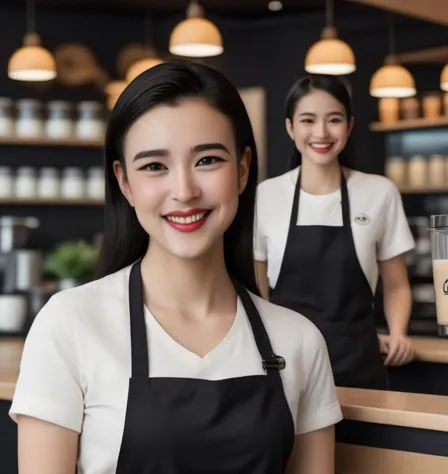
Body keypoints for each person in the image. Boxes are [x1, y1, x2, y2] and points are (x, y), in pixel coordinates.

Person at [9, 60, 342, 474]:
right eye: (154, 166)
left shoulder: (298, 340)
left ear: (242, 170)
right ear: (124, 182)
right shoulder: (70, 325)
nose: (184, 191)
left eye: (207, 160)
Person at [254, 73, 416, 391]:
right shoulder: (266, 196)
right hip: (289, 367)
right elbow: (259, 295)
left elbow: (397, 285)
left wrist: (399, 333)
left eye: (334, 120)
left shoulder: (379, 192)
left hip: (360, 365)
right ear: (290, 127)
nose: (321, 132)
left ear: (350, 125)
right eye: (308, 120)